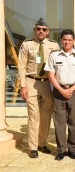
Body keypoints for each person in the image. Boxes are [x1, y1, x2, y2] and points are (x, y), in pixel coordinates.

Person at [18, 17, 60, 158]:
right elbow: (21, 67)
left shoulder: (54, 46)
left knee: (46, 116)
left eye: (44, 29)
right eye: (38, 29)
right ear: (34, 30)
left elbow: (58, 66)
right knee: (33, 115)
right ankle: (33, 147)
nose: (41, 31)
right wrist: (23, 86)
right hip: (31, 83)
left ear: (47, 31)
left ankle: (43, 143)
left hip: (48, 83)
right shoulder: (27, 45)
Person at [44, 30, 75, 160]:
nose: (67, 42)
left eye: (69, 39)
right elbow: (50, 75)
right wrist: (61, 90)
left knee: (74, 121)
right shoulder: (54, 55)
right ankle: (61, 150)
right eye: (64, 39)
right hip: (58, 91)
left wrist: (72, 89)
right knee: (59, 122)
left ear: (73, 40)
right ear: (61, 40)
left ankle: (72, 149)